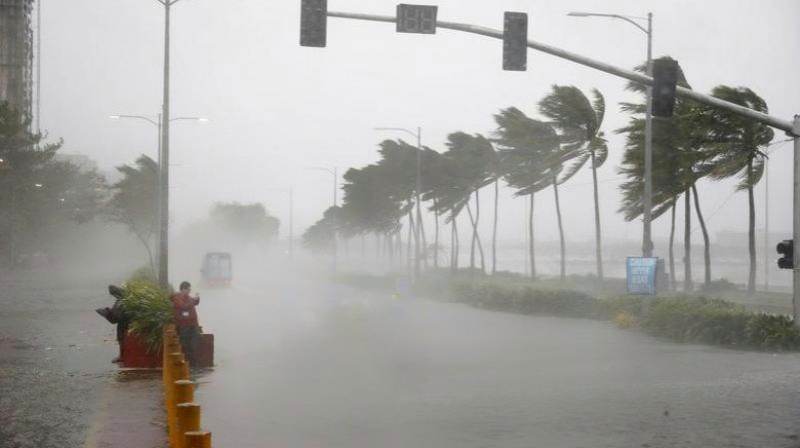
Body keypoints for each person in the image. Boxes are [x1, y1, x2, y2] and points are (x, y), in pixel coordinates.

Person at [170, 281, 201, 366]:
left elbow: (194, 303)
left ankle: (193, 364)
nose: (189, 291)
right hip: (184, 325)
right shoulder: (177, 298)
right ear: (183, 289)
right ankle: (187, 363)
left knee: (193, 344)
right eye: (188, 289)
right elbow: (183, 306)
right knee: (185, 344)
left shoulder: (188, 297)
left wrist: (197, 299)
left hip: (193, 324)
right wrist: (193, 301)